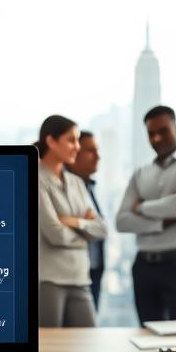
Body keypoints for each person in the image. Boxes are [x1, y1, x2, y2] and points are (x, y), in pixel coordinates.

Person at [117, 105, 176, 324]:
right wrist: (166, 220)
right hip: (143, 266)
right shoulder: (141, 173)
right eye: (151, 133)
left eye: (163, 131)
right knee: (146, 335)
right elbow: (122, 221)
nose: (157, 138)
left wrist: (140, 207)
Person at [36, 115, 107, 327]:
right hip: (49, 279)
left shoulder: (76, 182)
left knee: (86, 347)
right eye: (71, 140)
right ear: (51, 141)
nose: (76, 146)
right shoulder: (34, 177)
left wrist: (76, 223)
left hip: (80, 277)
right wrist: (85, 235)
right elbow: (54, 233)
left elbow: (102, 229)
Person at [66, 131, 104, 310]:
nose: (98, 156)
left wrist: (79, 222)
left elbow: (102, 229)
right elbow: (58, 228)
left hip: (94, 269)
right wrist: (86, 223)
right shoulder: (65, 186)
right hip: (71, 271)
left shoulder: (89, 186)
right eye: (90, 151)